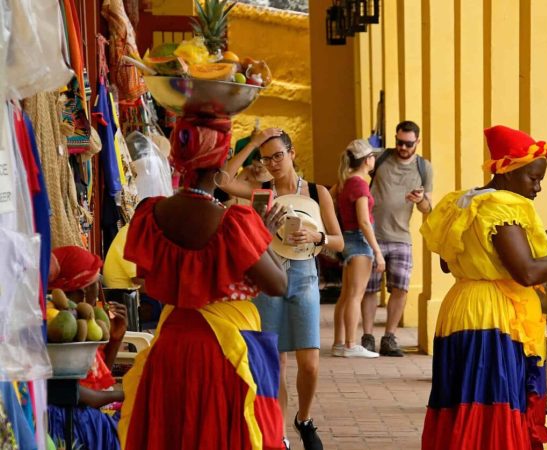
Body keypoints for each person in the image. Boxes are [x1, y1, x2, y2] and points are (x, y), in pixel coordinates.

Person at [420, 125, 547, 449]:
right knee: (492, 404)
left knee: (464, 403)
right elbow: (527, 273)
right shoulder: (500, 208)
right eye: (532, 178)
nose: (538, 187)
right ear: (507, 172)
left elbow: (447, 262)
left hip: (461, 308)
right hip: (492, 317)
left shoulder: (462, 202)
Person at [118, 116, 289, 450]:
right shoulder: (233, 223)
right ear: (218, 167)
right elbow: (278, 284)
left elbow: (143, 275)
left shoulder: (151, 213)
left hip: (170, 343)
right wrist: (263, 237)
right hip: (221, 351)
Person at [219, 127, 344, 450]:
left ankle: (304, 418)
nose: (273, 163)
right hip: (270, 274)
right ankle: (279, 436)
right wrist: (254, 143)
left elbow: (339, 241)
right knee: (277, 362)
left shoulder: (317, 193)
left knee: (310, 363)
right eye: (267, 157)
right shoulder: (262, 192)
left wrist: (317, 238)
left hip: (304, 274)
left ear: (292, 155)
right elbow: (222, 179)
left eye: (278, 155)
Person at [361, 121, 433, 357]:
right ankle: (368, 337)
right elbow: (358, 176)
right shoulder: (380, 158)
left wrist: (419, 199)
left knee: (400, 288)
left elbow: (427, 208)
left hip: (401, 236)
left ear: (417, 142)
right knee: (369, 288)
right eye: (399, 142)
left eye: (408, 144)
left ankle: (389, 338)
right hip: (372, 233)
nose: (402, 147)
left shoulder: (423, 167)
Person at [47, 246, 129, 450]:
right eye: (96, 284)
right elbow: (70, 391)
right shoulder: (54, 325)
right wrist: (124, 395)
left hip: (79, 417)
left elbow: (95, 382)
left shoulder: (81, 326)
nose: (99, 292)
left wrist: (115, 341)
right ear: (82, 292)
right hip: (64, 423)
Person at [331, 140, 385, 358]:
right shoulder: (360, 185)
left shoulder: (345, 181)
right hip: (360, 241)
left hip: (348, 238)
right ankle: (351, 344)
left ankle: (338, 343)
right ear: (366, 160)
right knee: (356, 295)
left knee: (345, 296)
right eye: (372, 156)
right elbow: (364, 220)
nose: (374, 160)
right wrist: (378, 251)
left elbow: (330, 198)